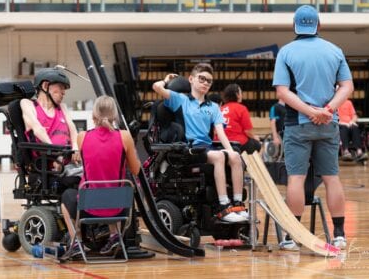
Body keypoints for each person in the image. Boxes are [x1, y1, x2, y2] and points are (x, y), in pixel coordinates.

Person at [272, 5, 354, 250]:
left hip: (298, 125)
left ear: (294, 26)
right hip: (329, 125)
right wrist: (327, 111)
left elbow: (282, 91)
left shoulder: (286, 52)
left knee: (296, 178)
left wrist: (310, 112)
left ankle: (293, 236)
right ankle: (339, 234)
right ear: (318, 25)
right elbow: (347, 86)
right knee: (332, 177)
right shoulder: (335, 50)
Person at [152, 63, 248, 223]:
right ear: (191, 79)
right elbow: (156, 87)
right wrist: (166, 80)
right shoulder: (180, 99)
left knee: (235, 156)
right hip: (190, 149)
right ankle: (223, 206)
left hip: (207, 148)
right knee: (218, 157)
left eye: (208, 81)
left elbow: (221, 133)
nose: (205, 83)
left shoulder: (213, 107)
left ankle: (237, 204)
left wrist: (231, 152)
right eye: (201, 79)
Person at [61, 95, 141, 256]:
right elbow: (136, 170)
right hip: (118, 208)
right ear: (115, 116)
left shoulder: (82, 137)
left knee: (66, 197)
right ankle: (114, 235)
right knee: (118, 186)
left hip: (89, 208)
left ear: (93, 115)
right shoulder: (125, 137)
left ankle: (77, 243)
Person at [20, 67, 81, 170]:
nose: (64, 92)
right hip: (48, 162)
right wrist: (56, 154)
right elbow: (38, 129)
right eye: (61, 87)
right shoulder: (28, 104)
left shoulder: (62, 107)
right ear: (45, 85)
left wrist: (75, 148)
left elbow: (73, 130)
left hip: (68, 160)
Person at [218, 83, 261, 154]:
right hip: (237, 143)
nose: (242, 95)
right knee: (257, 145)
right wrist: (255, 137)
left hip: (220, 143)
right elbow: (248, 131)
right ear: (237, 94)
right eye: (241, 92)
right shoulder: (241, 108)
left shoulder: (220, 109)